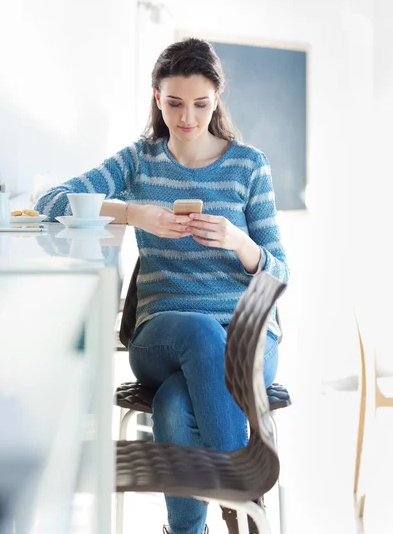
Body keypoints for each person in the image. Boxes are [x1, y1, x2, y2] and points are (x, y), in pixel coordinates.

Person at [35, 38, 289, 534]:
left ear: (217, 98)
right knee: (197, 333)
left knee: (174, 404)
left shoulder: (249, 166)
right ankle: (243, 496)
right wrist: (134, 213)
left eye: (200, 104)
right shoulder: (140, 161)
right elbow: (51, 201)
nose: (187, 118)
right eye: (174, 103)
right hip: (163, 333)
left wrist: (240, 242)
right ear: (157, 98)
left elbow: (280, 272)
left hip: (246, 338)